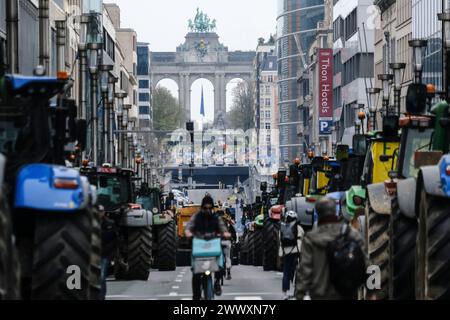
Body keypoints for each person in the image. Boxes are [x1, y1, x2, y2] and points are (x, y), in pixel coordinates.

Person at [295, 197, 365, 300]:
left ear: (318, 213)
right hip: (347, 294)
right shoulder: (351, 233)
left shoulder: (310, 238)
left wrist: (299, 295)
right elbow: (366, 263)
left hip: (320, 295)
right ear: (334, 211)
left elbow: (305, 270)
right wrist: (371, 292)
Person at [185, 195, 231, 300]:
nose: (208, 210)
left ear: (213, 208)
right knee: (196, 274)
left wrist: (225, 234)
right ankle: (196, 296)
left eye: (210, 208)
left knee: (220, 263)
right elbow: (189, 227)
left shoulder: (216, 218)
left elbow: (223, 229)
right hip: (199, 247)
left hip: (213, 246)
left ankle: (217, 282)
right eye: (206, 208)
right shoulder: (196, 217)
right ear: (202, 208)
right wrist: (188, 233)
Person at [279, 210, 304, 300]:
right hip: (297, 252)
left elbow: (280, 242)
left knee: (286, 272)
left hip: (286, 252)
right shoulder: (299, 228)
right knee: (298, 272)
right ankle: (296, 292)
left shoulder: (282, 228)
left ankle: (284, 294)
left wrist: (281, 254)